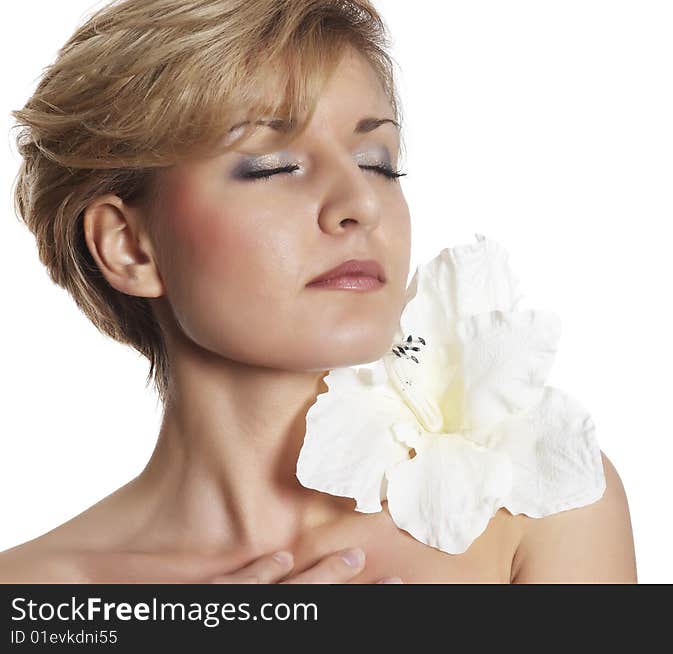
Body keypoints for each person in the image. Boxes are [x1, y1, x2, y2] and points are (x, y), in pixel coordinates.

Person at [0, 0, 637, 583]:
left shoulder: (543, 506)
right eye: (273, 167)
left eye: (377, 163)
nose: (359, 202)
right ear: (130, 246)